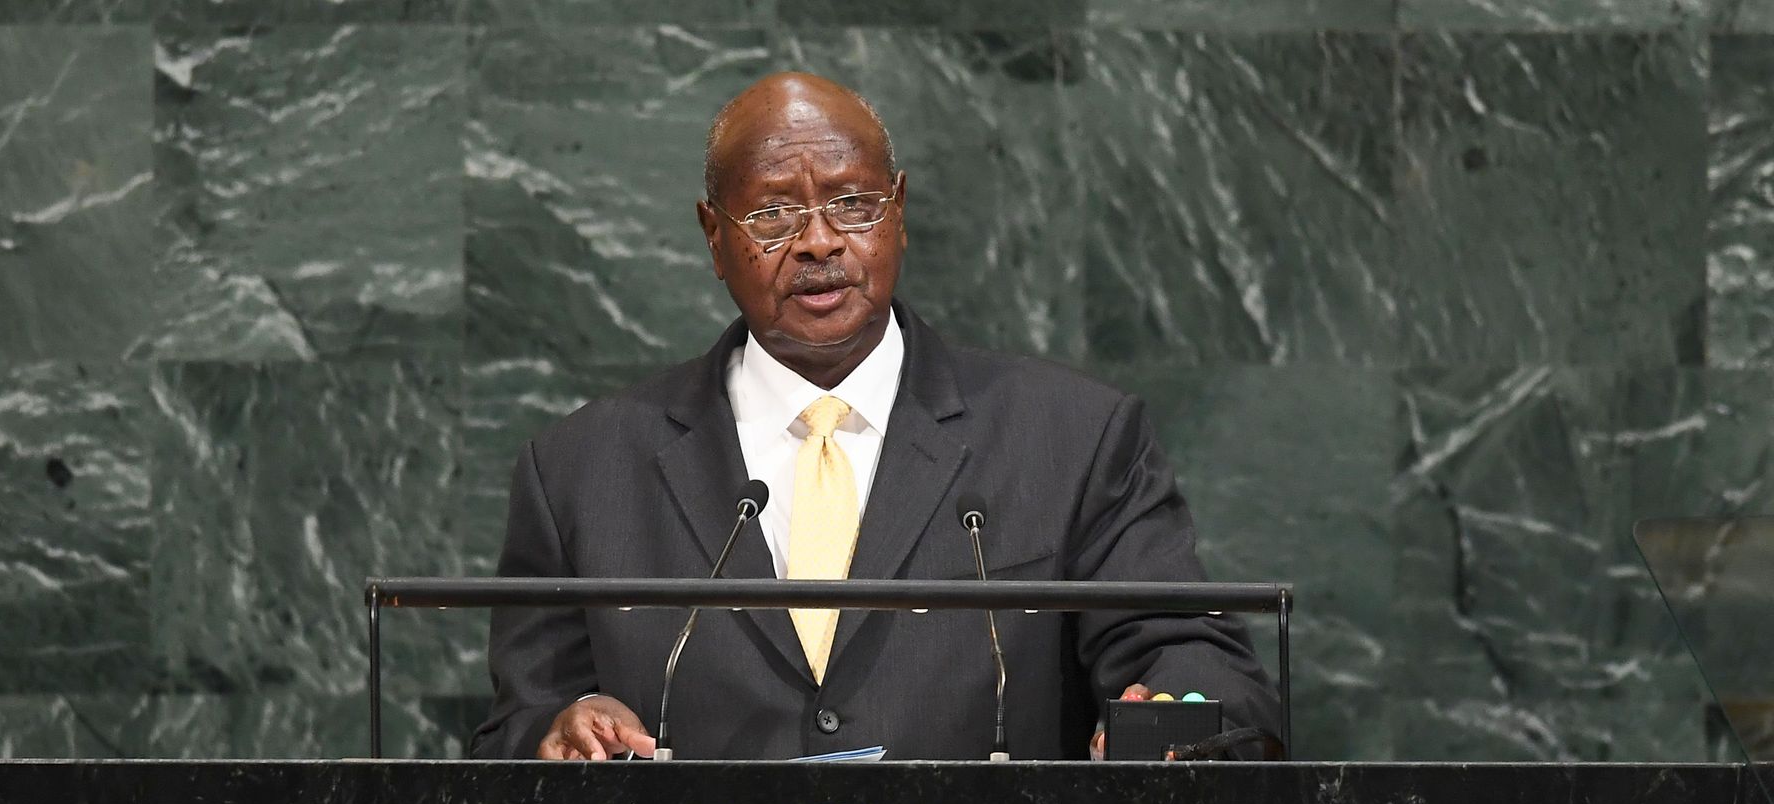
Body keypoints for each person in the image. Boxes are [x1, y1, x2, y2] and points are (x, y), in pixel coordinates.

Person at [473, 72, 1276, 761]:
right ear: (714, 239)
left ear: (898, 211)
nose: (819, 242)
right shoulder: (582, 470)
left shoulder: (1071, 439)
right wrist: (559, 729)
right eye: (773, 215)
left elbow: (1188, 655)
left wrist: (1173, 717)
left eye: (852, 204)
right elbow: (516, 728)